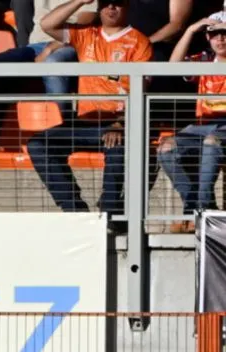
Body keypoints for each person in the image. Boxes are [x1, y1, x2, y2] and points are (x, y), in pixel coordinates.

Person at [26, 0, 152, 215]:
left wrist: (121, 124)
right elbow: (48, 25)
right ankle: (75, 211)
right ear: (98, 7)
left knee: (119, 144)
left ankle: (110, 213)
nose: (111, 8)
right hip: (85, 121)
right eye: (106, 3)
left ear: (127, 7)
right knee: (38, 144)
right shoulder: (86, 34)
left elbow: (141, 89)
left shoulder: (139, 41)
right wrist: (80, 1)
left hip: (118, 123)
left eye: (118, 3)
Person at [158, 11, 226, 223]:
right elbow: (173, 67)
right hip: (202, 125)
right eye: (214, 34)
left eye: (225, 33)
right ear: (207, 37)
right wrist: (190, 30)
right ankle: (192, 203)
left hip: (223, 128)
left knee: (211, 142)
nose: (220, 39)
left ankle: (204, 206)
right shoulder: (204, 60)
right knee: (165, 148)